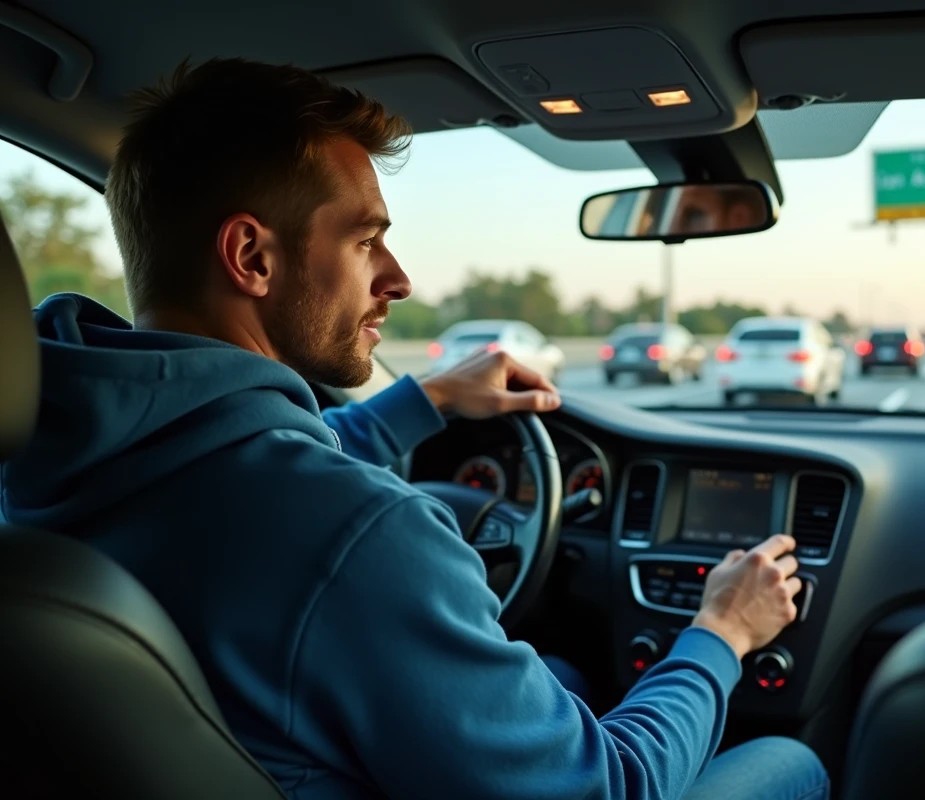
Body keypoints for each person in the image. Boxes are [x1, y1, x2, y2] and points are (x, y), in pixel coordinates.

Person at [0, 59, 828, 800]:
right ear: (252, 257)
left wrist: (423, 401)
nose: (397, 278)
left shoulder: (52, 452)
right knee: (794, 764)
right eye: (367, 240)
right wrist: (723, 630)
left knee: (565, 673)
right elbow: (608, 786)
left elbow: (246, 485)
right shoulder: (360, 534)